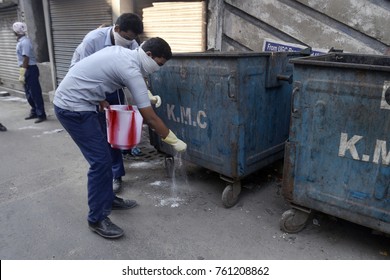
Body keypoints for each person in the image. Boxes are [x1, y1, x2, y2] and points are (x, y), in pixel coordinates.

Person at [53, 37, 187, 239]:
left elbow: (89, 73)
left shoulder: (124, 54)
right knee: (100, 162)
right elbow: (149, 117)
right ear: (149, 55)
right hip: (73, 108)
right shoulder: (131, 68)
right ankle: (96, 218)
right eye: (159, 64)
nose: (158, 68)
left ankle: (107, 198)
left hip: (88, 102)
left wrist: (98, 97)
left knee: (107, 152)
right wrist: (172, 139)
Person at [70, 13, 160, 194]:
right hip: (87, 87)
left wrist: (145, 92)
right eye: (127, 37)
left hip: (113, 86)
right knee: (100, 133)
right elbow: (82, 72)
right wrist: (99, 98)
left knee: (116, 129)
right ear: (117, 29)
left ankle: (116, 173)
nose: (129, 42)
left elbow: (137, 70)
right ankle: (105, 174)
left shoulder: (132, 44)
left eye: (133, 39)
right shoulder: (92, 40)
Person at [13, 22, 47, 123]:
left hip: (30, 69)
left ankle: (41, 114)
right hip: (26, 68)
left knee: (35, 93)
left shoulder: (25, 42)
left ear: (16, 31)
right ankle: (34, 112)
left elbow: (26, 58)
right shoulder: (20, 41)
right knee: (28, 93)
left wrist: (23, 72)